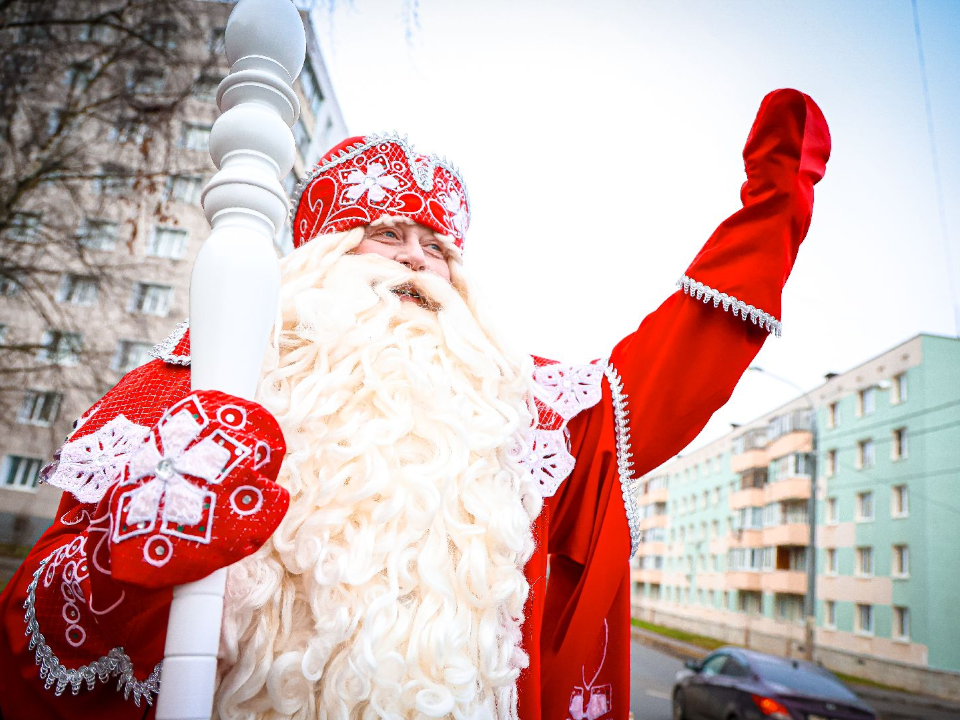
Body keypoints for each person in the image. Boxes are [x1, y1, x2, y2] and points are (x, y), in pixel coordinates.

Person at [0, 88, 830, 720]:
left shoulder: (519, 408)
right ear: (318, 261)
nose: (417, 262)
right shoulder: (198, 382)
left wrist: (769, 218)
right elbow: (34, 626)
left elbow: (665, 375)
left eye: (437, 248)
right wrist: (129, 565)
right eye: (387, 235)